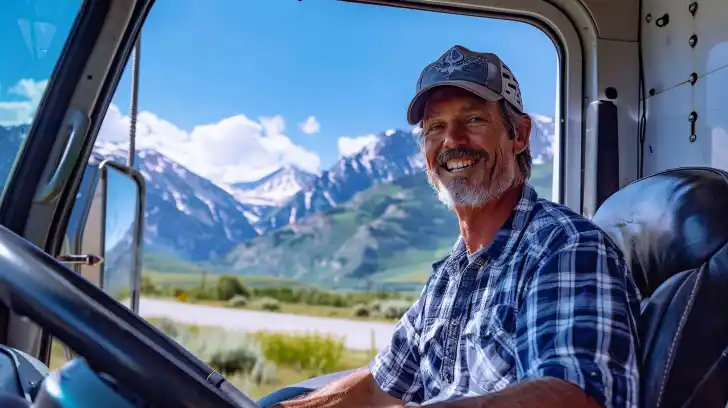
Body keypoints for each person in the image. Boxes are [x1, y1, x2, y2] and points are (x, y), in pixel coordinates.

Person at [278, 45, 641, 408]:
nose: (452, 141)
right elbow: (378, 387)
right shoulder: (449, 277)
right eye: (435, 127)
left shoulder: (565, 247)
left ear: (520, 135)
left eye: (474, 120)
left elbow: (576, 395)